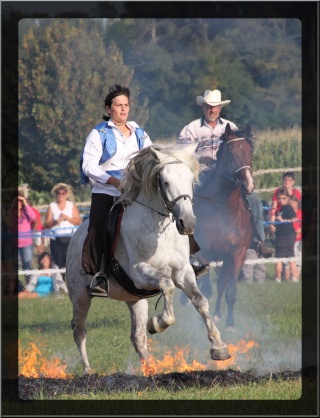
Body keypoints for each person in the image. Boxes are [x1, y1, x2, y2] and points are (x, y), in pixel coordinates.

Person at [178, 89, 273, 259]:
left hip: (228, 177)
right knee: (184, 201)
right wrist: (200, 158)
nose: (212, 110)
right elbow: (182, 152)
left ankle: (259, 240)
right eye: (209, 106)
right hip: (201, 175)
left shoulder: (231, 127)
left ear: (220, 107)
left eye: (215, 107)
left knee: (254, 199)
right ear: (203, 107)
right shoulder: (190, 129)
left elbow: (240, 151)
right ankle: (181, 239)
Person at [81, 84, 153, 296]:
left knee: (171, 209)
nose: (123, 109)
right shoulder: (98, 133)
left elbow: (152, 156)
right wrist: (112, 181)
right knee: (99, 226)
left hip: (137, 192)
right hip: (107, 192)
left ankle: (188, 259)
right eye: (118, 105)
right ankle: (100, 275)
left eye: (126, 105)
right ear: (108, 108)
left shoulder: (139, 132)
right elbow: (88, 166)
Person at [44, 183, 82, 270]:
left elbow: (78, 221)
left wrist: (67, 218)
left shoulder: (71, 206)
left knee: (70, 262)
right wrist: (56, 221)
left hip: (70, 238)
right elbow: (47, 224)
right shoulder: (52, 206)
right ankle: (60, 282)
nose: (60, 195)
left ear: (66, 194)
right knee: (58, 263)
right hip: (56, 239)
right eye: (58, 193)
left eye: (63, 193)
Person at [6, 193, 36, 285]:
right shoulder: (11, 212)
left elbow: (33, 217)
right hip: (14, 243)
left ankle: (29, 285)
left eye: (20, 200)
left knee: (27, 265)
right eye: (16, 200)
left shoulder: (26, 211)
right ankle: (16, 286)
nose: (18, 202)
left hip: (27, 243)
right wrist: (12, 206)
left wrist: (25, 203)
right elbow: (9, 223)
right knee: (15, 266)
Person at [273, 187, 297, 283]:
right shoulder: (280, 209)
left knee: (289, 255)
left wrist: (283, 220)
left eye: (284, 198)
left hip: (288, 235)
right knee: (279, 256)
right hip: (281, 235)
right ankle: (278, 278)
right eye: (279, 198)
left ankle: (293, 277)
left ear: (288, 198)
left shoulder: (288, 208)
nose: (281, 200)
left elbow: (294, 219)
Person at [269, 171, 301, 237]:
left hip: (294, 215)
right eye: (285, 179)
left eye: (289, 180)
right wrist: (271, 224)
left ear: (293, 182)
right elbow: (274, 208)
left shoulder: (296, 192)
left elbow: (299, 207)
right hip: (281, 214)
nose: (287, 181)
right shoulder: (278, 191)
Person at [284, 195, 302, 282]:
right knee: (288, 260)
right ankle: (287, 280)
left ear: (297, 203)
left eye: (293, 202)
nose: (291, 204)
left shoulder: (300, 213)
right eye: (290, 202)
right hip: (288, 239)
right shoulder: (286, 213)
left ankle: (295, 278)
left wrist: (299, 230)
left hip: (298, 240)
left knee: (298, 260)